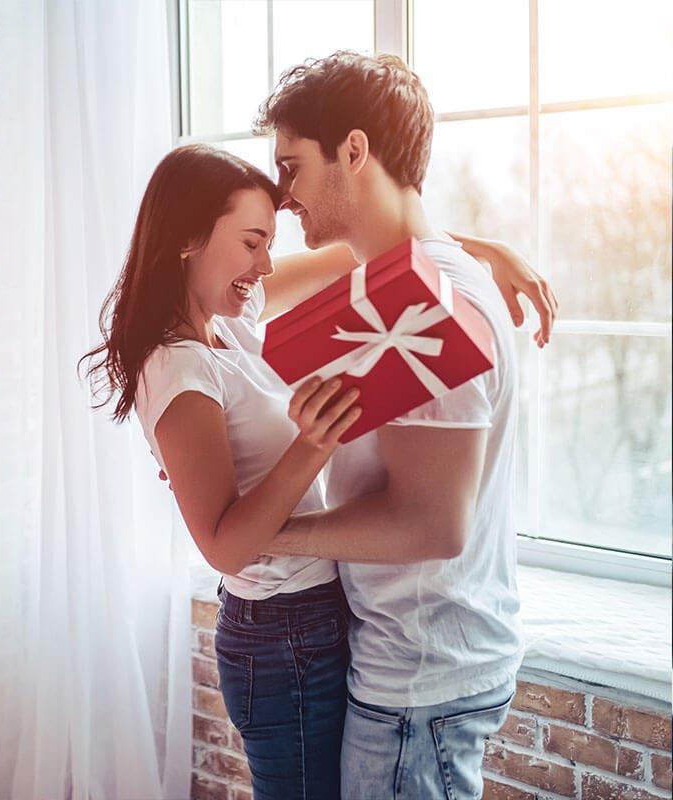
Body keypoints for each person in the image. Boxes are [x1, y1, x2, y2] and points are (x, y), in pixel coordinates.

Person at [80, 139, 553, 798]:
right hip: (279, 638)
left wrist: (481, 250)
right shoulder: (182, 369)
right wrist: (314, 443)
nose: (265, 264)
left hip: (316, 617)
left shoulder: (232, 319)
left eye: (268, 243)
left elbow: (351, 252)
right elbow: (224, 544)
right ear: (188, 239)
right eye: (251, 243)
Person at [252, 51, 540, 800]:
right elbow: (233, 289)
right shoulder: (406, 284)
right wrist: (476, 240)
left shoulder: (422, 312)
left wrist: (265, 532)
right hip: (426, 667)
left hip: (421, 684)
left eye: (292, 167)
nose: (283, 199)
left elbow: (431, 524)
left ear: (354, 150)